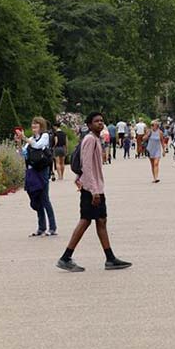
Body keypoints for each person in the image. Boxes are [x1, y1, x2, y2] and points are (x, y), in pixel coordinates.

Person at [56, 112, 132, 272]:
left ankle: (110, 258)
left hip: (95, 186)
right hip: (92, 189)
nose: (100, 123)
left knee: (101, 220)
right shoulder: (90, 139)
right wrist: (93, 190)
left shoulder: (95, 139)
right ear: (89, 125)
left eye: (101, 121)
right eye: (96, 121)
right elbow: (87, 165)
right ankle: (65, 257)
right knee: (85, 220)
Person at [23, 117, 57, 237]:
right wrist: (19, 142)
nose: (34, 129)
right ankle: (41, 227)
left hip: (42, 170)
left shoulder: (45, 136)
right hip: (33, 171)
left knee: (45, 199)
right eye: (32, 127)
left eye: (36, 126)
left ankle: (52, 227)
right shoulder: (31, 139)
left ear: (41, 127)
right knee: (37, 198)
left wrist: (26, 139)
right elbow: (24, 153)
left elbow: (38, 146)